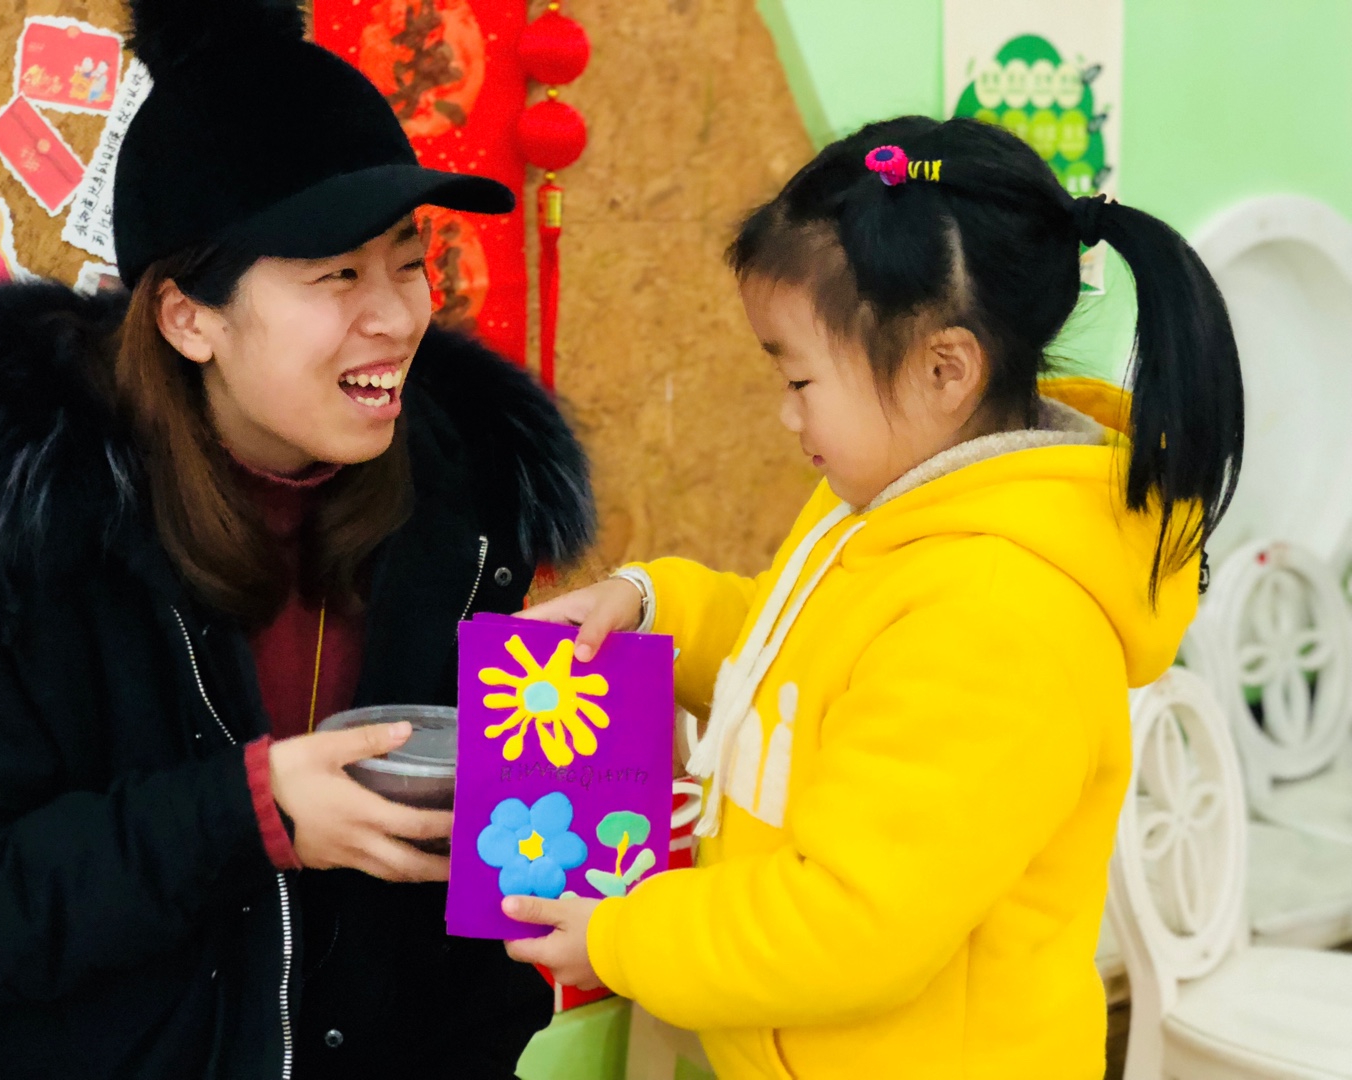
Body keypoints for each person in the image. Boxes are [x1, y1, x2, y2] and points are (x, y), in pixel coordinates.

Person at [0, 1, 594, 1077]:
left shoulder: (459, 516)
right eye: (338, 276)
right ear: (190, 318)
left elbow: (462, 935)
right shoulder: (9, 541)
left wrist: (590, 798)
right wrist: (248, 814)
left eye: (408, 261)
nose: (397, 317)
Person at [505, 115, 1243, 1079]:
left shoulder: (997, 618)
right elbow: (804, 665)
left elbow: (851, 923)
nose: (787, 413)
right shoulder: (893, 496)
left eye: (800, 377)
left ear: (945, 370)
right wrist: (654, 608)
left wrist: (624, 939)